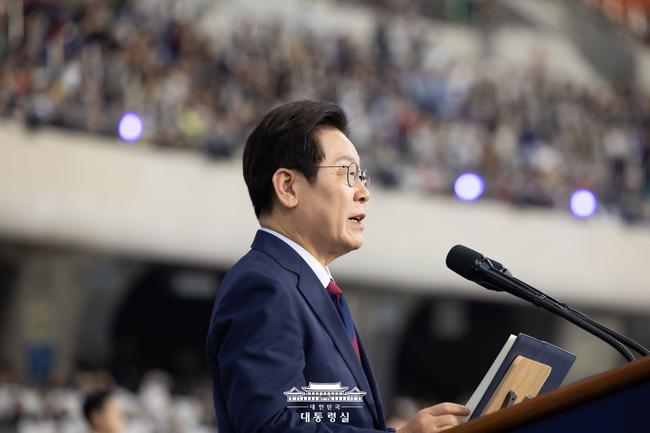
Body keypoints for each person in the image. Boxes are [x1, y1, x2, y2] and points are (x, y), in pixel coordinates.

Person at [205, 100, 469, 433]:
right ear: (288, 187)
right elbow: (271, 426)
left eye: (362, 176)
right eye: (348, 174)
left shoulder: (310, 289)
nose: (364, 192)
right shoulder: (262, 286)